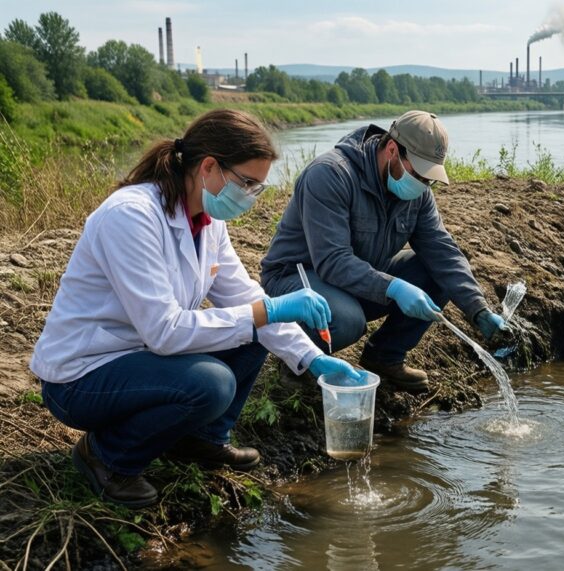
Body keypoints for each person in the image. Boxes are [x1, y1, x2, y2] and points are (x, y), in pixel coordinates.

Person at [30, 109, 363, 509]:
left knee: (253, 326)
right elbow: (164, 331)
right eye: (248, 184)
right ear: (209, 167)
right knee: (212, 382)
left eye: (258, 188)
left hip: (140, 356)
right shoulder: (131, 217)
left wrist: (312, 359)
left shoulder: (207, 221)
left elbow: (245, 299)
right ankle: (107, 458)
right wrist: (267, 311)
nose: (251, 199)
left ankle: (202, 440)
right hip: (83, 375)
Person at [260, 111, 508, 394]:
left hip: (355, 279)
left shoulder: (417, 194)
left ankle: (385, 357)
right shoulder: (330, 174)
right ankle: (297, 361)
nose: (423, 185)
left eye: (430, 179)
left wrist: (479, 310)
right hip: (297, 279)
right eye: (418, 174)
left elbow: (442, 251)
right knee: (346, 320)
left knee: (436, 273)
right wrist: (394, 287)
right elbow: (332, 261)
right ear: (392, 150)